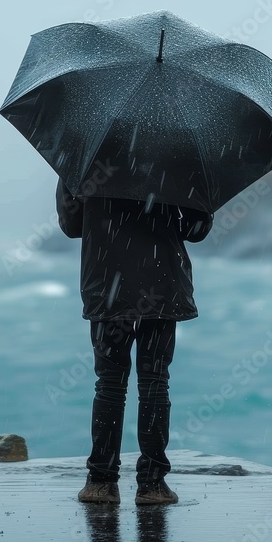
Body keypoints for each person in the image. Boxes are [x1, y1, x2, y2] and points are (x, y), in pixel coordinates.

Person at [56, 177, 212, 505]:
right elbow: (196, 229)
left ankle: (101, 481)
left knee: (109, 384)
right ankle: (153, 484)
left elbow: (71, 225)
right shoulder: (177, 156)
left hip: (106, 282)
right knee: (155, 383)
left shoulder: (85, 156)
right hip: (162, 282)